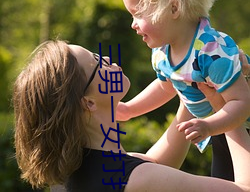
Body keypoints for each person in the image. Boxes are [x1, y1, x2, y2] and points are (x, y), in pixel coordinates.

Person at [13, 40, 250, 192]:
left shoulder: (72, 175)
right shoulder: (138, 180)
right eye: (97, 62)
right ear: (89, 102)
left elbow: (156, 164)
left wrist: (189, 80)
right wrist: (226, 107)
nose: (107, 59)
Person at [119, 0, 250, 181]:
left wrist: (209, 126)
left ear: (173, 9)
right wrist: (130, 109)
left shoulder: (210, 51)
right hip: (220, 131)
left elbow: (242, 102)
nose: (132, 25)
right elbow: (166, 87)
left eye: (138, 14)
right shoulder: (162, 52)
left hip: (239, 128)